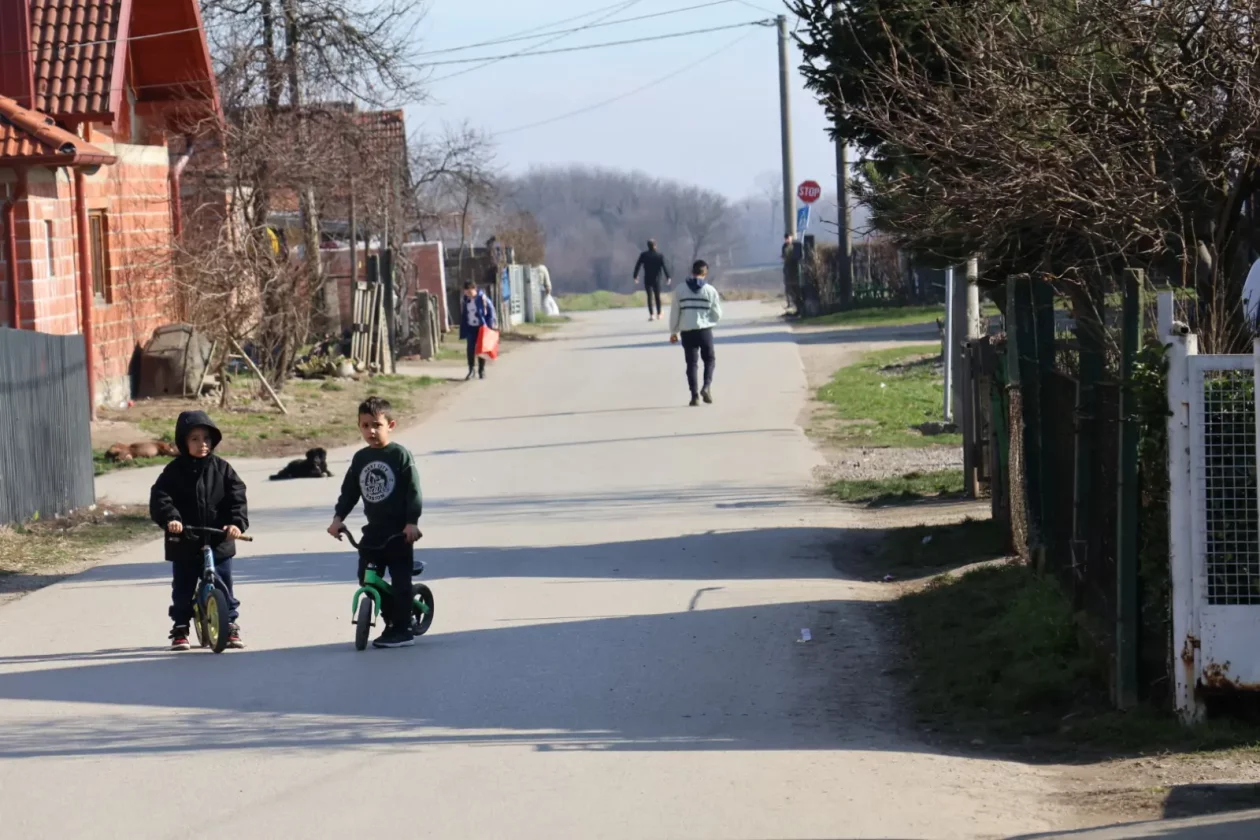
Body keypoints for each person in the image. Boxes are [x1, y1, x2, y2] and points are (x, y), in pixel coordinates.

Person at [327, 396, 424, 649]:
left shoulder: (400, 455)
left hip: (400, 533)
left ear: (390, 425)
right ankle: (391, 618)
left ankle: (402, 630)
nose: (370, 430)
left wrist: (412, 522)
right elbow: (349, 492)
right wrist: (338, 519)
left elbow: (414, 491)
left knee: (401, 581)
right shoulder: (360, 459)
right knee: (366, 577)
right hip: (374, 532)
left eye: (376, 425)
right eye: (365, 425)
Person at [149, 410, 249, 651]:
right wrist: (172, 519)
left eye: (206, 438)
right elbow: (161, 498)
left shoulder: (223, 469)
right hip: (185, 538)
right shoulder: (173, 472)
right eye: (194, 439)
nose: (202, 444)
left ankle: (230, 623)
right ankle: (181, 627)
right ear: (183, 442)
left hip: (218, 537)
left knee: (223, 580)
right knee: (183, 585)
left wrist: (235, 524)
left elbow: (238, 498)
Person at [669, 260, 723, 407]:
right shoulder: (710, 290)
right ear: (705, 273)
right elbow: (717, 314)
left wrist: (674, 331)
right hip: (704, 330)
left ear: (692, 272)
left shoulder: (680, 290)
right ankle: (706, 387)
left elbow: (675, 313)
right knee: (709, 360)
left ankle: (694, 396)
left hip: (687, 331)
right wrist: (709, 321)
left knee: (691, 364)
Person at [460, 280, 498, 381]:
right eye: (466, 291)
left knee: (482, 349)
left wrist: (490, 326)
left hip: (481, 327)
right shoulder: (466, 300)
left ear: (474, 289)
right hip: (470, 327)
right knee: (470, 349)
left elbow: (491, 312)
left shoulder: (482, 298)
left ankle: (481, 370)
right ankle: (471, 370)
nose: (468, 293)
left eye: (469, 291)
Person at [633, 239, 672, 321]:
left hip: (647, 278)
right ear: (655, 245)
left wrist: (635, 276)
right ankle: (659, 314)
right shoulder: (659, 255)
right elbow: (665, 267)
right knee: (657, 297)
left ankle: (651, 315)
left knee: (649, 297)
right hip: (657, 279)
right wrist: (668, 277)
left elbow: (638, 265)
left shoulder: (643, 255)